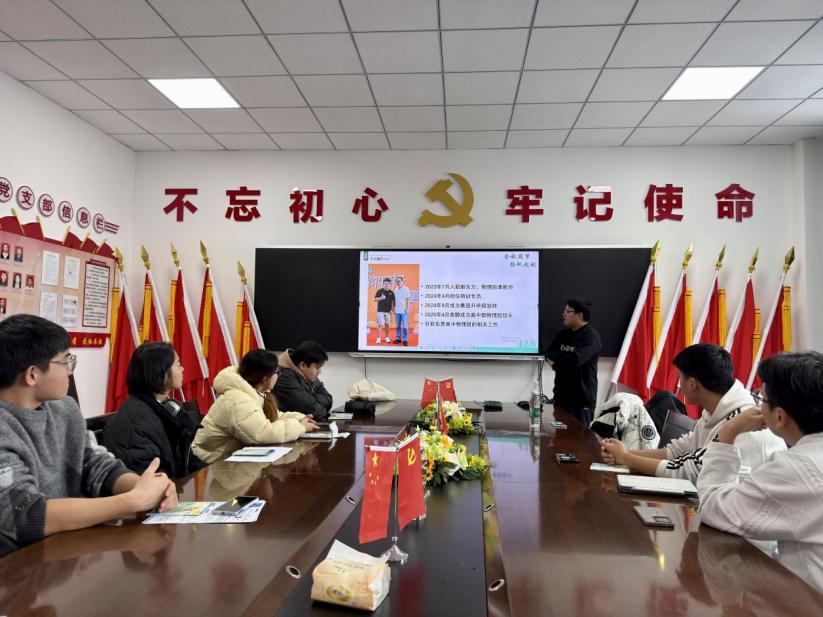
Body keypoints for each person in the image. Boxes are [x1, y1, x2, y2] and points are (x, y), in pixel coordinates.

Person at [0, 314, 177, 557]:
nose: (70, 371)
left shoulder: (65, 409)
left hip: (65, 554)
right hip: (18, 565)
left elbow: (96, 466)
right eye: (65, 361)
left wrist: (147, 488)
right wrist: (132, 501)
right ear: (32, 374)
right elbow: (26, 515)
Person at [697, 352, 823, 592]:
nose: (757, 405)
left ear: (779, 416)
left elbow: (712, 508)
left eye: (761, 399)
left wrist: (728, 432)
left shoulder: (795, 468)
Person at [601, 344, 785, 482]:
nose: (679, 385)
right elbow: (678, 451)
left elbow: (690, 472)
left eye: (680, 378)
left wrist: (626, 458)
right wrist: (623, 453)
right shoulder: (715, 408)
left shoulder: (747, 423)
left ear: (692, 384)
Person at [192, 349, 318, 464]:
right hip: (208, 464)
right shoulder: (237, 400)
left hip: (229, 460)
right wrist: (300, 427)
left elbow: (274, 416)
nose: (278, 376)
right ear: (265, 378)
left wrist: (300, 418)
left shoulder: (256, 392)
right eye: (277, 372)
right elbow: (262, 434)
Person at [102, 342, 204, 479]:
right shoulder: (135, 423)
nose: (183, 369)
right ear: (162, 373)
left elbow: (188, 461)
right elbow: (149, 480)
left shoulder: (166, 409)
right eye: (178, 364)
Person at [544, 298, 601, 426]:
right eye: (564, 311)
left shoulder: (591, 337)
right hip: (561, 398)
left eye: (568, 311)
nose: (563, 314)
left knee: (578, 438)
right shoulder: (564, 334)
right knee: (560, 437)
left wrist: (556, 364)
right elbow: (549, 351)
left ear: (579, 315)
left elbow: (574, 361)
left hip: (581, 402)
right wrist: (560, 360)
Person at [273, 341, 333, 419]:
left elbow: (328, 399)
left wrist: (311, 399)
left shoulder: (309, 376)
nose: (319, 372)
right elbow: (313, 411)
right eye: (317, 367)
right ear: (302, 365)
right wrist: (313, 402)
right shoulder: (283, 377)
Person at [374, 277, 395, 344]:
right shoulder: (379, 291)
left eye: (388, 283)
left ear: (390, 284)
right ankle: (378, 338)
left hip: (388, 311)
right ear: (383, 284)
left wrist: (392, 309)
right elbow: (375, 299)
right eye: (385, 283)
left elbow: (393, 302)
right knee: (380, 324)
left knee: (387, 324)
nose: (387, 284)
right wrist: (381, 298)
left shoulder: (391, 292)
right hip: (380, 310)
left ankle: (387, 337)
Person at [393, 276, 410, 346]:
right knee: (398, 325)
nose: (398, 282)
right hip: (397, 310)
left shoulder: (406, 289)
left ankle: (405, 339)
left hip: (404, 310)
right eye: (397, 281)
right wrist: (394, 309)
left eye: (399, 281)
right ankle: (398, 338)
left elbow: (408, 300)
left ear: (402, 281)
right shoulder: (395, 290)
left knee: (405, 325)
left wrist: (407, 308)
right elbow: (394, 301)